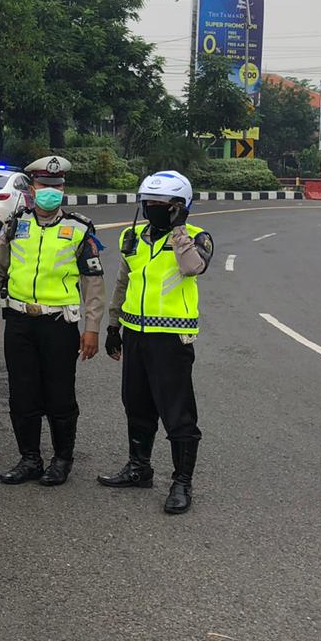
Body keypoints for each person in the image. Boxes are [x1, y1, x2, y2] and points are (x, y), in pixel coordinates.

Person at [0, 155, 105, 487]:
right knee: (22, 394)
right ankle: (30, 458)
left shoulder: (80, 229)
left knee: (59, 395)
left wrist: (92, 328)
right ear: (32, 189)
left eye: (56, 186)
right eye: (43, 186)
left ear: (62, 190)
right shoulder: (15, 223)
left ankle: (62, 459)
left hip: (59, 325)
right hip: (19, 322)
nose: (50, 191)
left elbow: (94, 285)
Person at [98, 170, 212, 514]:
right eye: (148, 204)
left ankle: (181, 482)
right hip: (134, 334)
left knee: (177, 413)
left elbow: (192, 268)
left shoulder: (196, 237)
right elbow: (123, 282)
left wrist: (179, 230)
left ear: (180, 207)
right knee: (136, 404)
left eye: (161, 205)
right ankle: (139, 468)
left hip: (171, 341)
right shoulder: (132, 237)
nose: (152, 210)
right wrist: (113, 326)